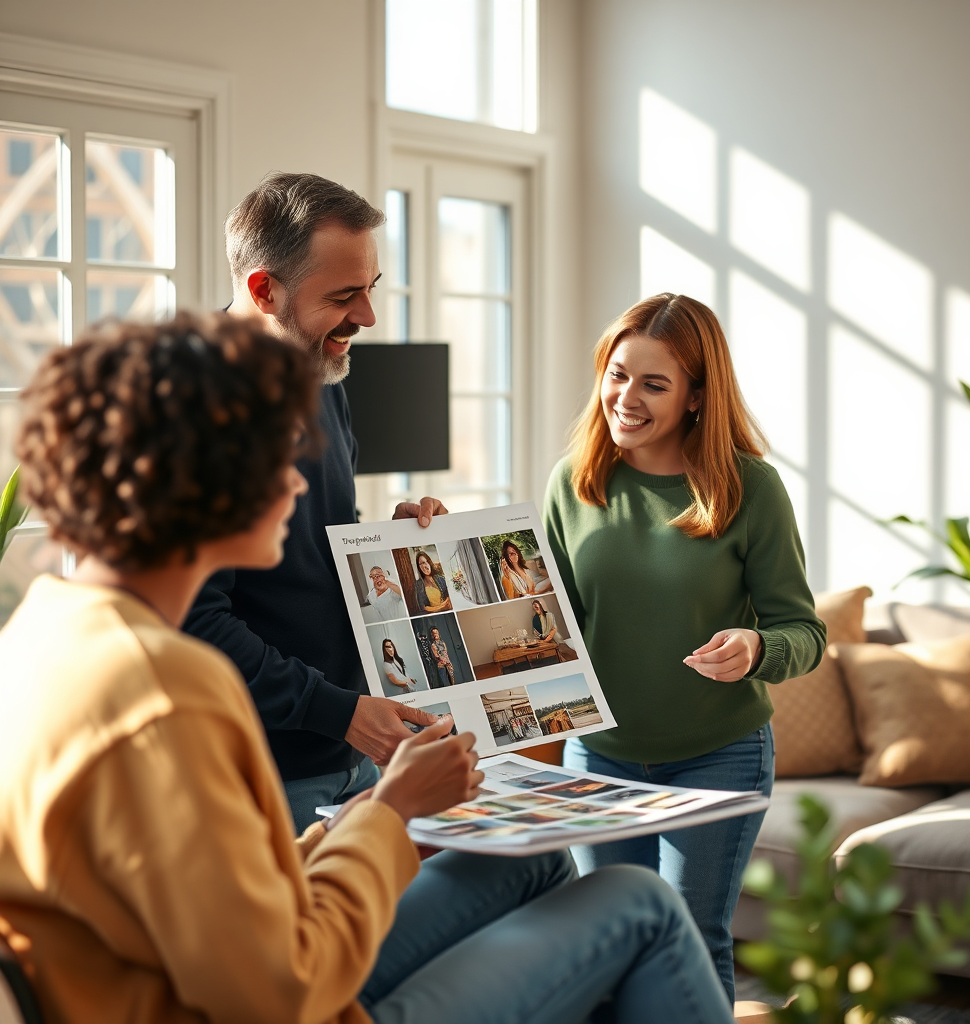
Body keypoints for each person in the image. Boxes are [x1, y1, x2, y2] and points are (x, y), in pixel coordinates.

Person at [0, 312, 737, 1024]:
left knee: (527, 862)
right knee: (640, 900)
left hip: (231, 965)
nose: (297, 486)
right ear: (207, 480)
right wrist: (388, 814)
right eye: (281, 458)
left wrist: (354, 824)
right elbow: (279, 989)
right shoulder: (167, 700)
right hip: (288, 1003)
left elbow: (203, 890)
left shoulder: (41, 631)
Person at [544, 292, 826, 1001]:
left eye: (654, 383)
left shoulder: (748, 489)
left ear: (698, 396)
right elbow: (548, 630)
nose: (625, 397)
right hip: (597, 756)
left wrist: (757, 648)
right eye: (616, 373)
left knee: (690, 937)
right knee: (603, 947)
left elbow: (805, 631)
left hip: (717, 756)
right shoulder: (575, 483)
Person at [183, 173, 449, 832]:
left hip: (349, 754)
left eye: (371, 289)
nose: (367, 317)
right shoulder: (195, 410)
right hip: (258, 776)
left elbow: (316, 548)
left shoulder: (322, 376)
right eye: (344, 295)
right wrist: (340, 712)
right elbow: (196, 622)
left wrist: (388, 547)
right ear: (263, 289)